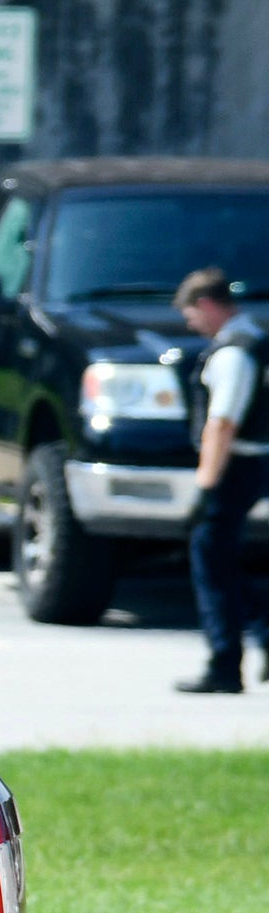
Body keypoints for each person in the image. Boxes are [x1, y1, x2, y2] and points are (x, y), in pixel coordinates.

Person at [172, 267, 265, 696]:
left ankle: (224, 664)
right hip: (251, 465)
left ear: (207, 305)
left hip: (235, 468)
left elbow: (222, 424)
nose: (193, 325)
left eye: (192, 316)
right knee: (223, 559)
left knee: (210, 557)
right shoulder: (255, 338)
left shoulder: (233, 352)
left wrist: (205, 488)